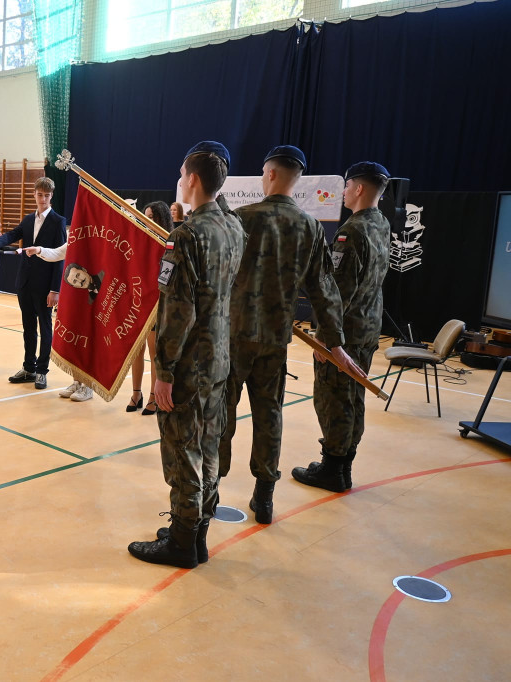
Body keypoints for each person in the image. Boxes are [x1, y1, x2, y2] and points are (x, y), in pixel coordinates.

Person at [217, 145, 364, 525]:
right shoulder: (310, 227)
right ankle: (264, 495)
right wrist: (333, 342)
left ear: (268, 174)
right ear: (296, 180)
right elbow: (324, 290)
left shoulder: (241, 218)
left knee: (221, 413)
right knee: (269, 415)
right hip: (275, 338)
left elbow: (217, 272)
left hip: (234, 336)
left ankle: (210, 487)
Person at [127, 141, 245, 568]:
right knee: (209, 447)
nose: (179, 181)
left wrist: (164, 371)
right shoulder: (232, 228)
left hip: (189, 363)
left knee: (182, 451)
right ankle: (195, 534)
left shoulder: (187, 236)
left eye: (182, 174)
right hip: (219, 360)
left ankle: (180, 542)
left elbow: (177, 312)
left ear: (192, 180)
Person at [293, 162, 391, 492]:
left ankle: (332, 468)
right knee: (353, 395)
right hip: (368, 326)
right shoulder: (381, 224)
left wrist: (327, 339)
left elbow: (339, 292)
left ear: (360, 189)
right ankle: (343, 464)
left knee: (334, 398)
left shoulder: (353, 231)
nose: (345, 191)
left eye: (348, 186)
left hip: (345, 331)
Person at [0, 176, 67, 390]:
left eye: (47, 195)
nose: (42, 199)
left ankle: (42, 371)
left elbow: (60, 256)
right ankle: (29, 368)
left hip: (45, 286)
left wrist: (55, 289)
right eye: (39, 194)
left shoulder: (58, 221)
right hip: (25, 282)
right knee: (28, 328)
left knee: (45, 326)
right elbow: (13, 234)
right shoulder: (27, 219)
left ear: (52, 197)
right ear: (34, 194)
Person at [13, 241, 94, 402]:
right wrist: (39, 249)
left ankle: (88, 386)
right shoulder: (76, 235)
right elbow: (57, 253)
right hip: (75, 293)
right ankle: (77, 382)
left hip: (93, 295)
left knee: (87, 339)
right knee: (75, 339)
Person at [128, 201, 173, 414]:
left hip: (157, 305)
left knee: (154, 351)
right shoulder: (140, 240)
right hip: (138, 302)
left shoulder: (170, 242)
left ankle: (154, 397)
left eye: (152, 217)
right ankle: (136, 393)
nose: (148, 220)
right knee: (136, 350)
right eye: (145, 216)